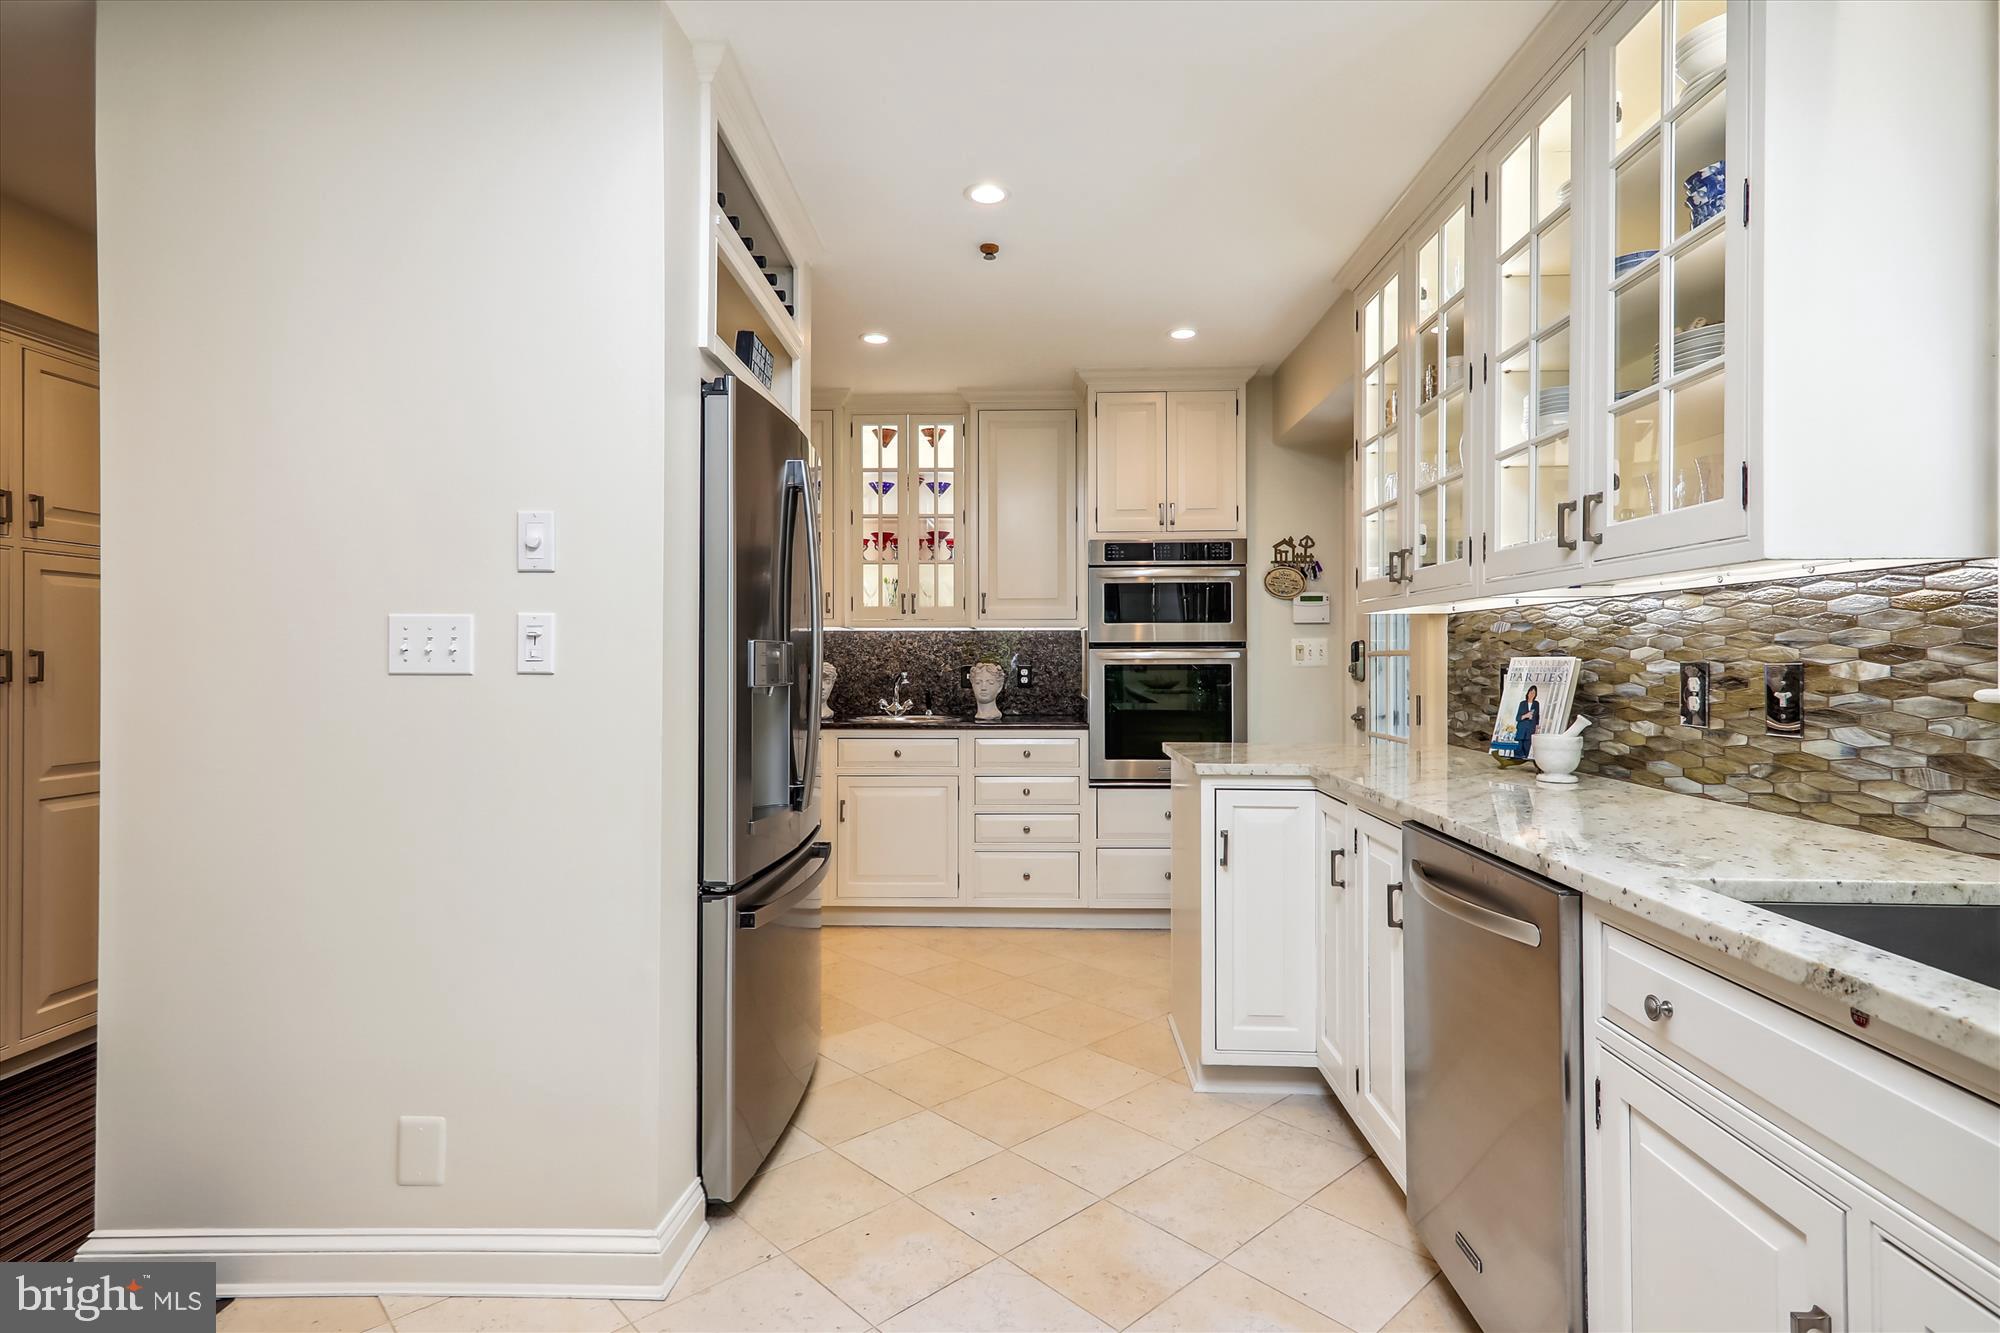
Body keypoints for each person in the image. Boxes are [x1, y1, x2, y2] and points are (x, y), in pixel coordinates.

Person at [1513, 684, 1541, 759]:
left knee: (1526, 749)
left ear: (1535, 695)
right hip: (1521, 729)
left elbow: (1537, 716)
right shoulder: (1522, 703)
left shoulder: (1536, 704)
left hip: (1530, 729)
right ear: (1528, 693)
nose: (1532, 694)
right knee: (1518, 749)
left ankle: (1523, 760)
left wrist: (1537, 726)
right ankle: (1517, 760)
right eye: (1531, 692)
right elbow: (1517, 718)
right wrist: (1526, 715)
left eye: (1534, 693)